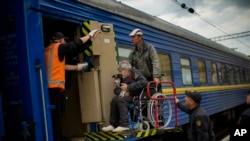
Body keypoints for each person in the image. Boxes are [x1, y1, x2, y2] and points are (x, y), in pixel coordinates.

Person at [44, 29, 100, 141]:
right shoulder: (58, 47)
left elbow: (62, 66)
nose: (65, 42)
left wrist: (78, 67)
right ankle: (57, 137)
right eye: (64, 40)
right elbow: (74, 46)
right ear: (60, 40)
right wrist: (88, 36)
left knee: (56, 116)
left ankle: (57, 136)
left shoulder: (48, 50)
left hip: (50, 89)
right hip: (55, 89)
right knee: (57, 116)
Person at [102, 60, 148, 132]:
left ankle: (124, 125)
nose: (120, 73)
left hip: (137, 96)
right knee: (114, 99)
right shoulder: (121, 77)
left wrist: (128, 88)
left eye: (121, 71)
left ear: (126, 70)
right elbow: (116, 90)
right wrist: (122, 93)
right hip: (127, 96)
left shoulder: (135, 73)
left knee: (121, 100)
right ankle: (113, 124)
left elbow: (144, 82)